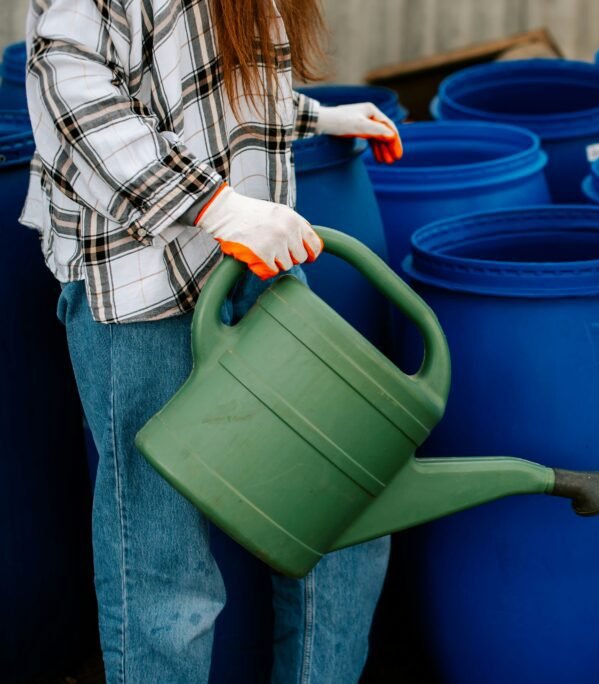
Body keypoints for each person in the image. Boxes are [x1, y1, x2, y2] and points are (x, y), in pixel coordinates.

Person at [20, 0, 403, 681]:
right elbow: (69, 90)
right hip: (141, 285)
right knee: (168, 578)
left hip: (253, 267)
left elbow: (198, 78)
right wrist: (218, 206)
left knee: (346, 511)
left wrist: (314, 117)